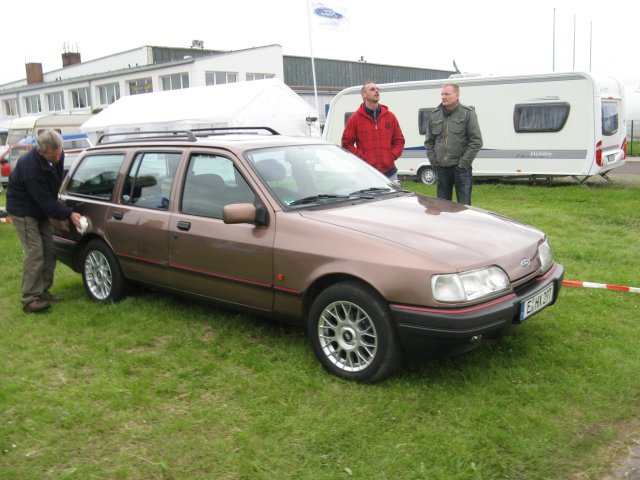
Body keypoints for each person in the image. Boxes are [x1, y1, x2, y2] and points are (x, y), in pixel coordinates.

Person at [6, 129, 83, 313]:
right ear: (41, 152)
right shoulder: (30, 167)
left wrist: (62, 204)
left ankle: (42, 291)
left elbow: (54, 185)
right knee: (35, 252)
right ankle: (30, 298)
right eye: (53, 156)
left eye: (58, 154)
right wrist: (69, 214)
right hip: (23, 211)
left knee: (49, 250)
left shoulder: (58, 153)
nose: (57, 159)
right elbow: (46, 203)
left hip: (39, 208)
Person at [424, 83, 483, 205]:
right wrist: (435, 163)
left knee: (464, 208)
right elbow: (429, 142)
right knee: (443, 207)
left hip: (461, 169)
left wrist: (463, 164)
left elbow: (476, 141)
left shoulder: (468, 113)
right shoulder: (434, 115)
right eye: (442, 94)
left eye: (447, 94)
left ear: (457, 95)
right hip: (441, 169)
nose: (443, 97)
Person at [341, 81, 405, 182]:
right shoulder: (355, 119)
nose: (376, 91)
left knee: (393, 198)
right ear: (364, 95)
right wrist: (363, 158)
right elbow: (346, 144)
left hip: (390, 173)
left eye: (377, 89)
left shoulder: (390, 117)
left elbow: (399, 140)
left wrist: (390, 156)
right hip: (366, 174)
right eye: (372, 89)